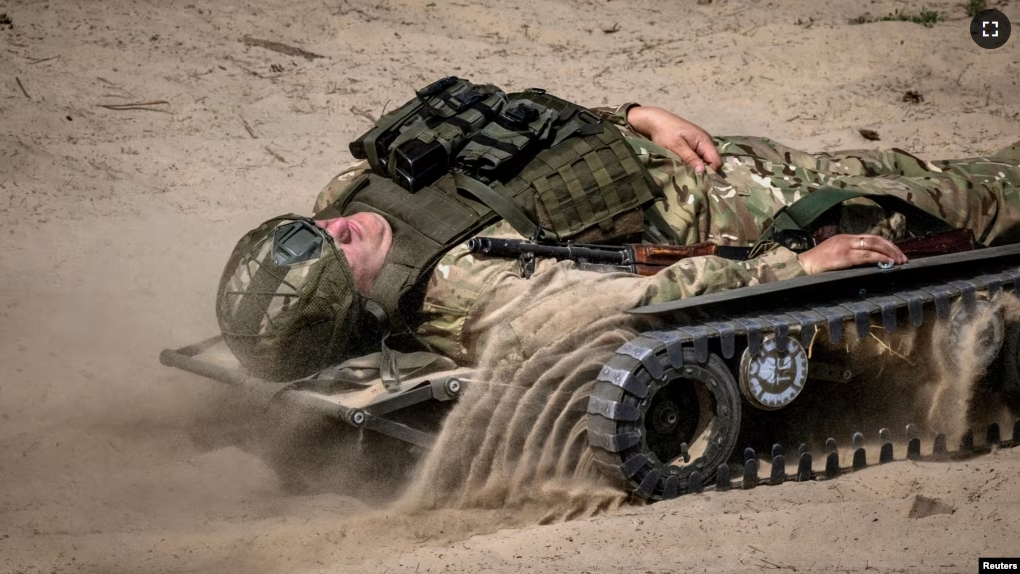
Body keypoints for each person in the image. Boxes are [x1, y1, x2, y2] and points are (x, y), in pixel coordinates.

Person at [216, 99, 1020, 380]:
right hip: (733, 214)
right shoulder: (476, 296)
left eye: (312, 229)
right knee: (953, 198)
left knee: (909, 165)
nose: (336, 224)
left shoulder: (345, 194)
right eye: (335, 248)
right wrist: (795, 266)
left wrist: (633, 115)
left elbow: (504, 135)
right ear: (360, 293)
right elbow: (641, 295)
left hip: (681, 158)